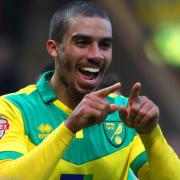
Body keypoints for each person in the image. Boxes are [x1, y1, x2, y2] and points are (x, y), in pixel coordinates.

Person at [0, 1, 179, 179]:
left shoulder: (124, 114)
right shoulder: (13, 108)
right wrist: (70, 127)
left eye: (104, 45)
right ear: (54, 48)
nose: (96, 55)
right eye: (82, 42)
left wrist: (151, 134)